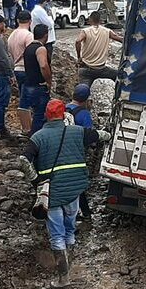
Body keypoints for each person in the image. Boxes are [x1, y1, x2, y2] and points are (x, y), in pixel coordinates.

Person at [23, 98, 107, 289]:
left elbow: (23, 160)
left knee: (56, 234)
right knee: (70, 228)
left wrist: (35, 180)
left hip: (51, 193)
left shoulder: (38, 137)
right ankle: (71, 262)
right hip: (74, 191)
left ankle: (63, 278)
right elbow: (102, 136)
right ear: (63, 115)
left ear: (46, 115)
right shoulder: (78, 132)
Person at [66, 84, 97, 220]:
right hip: (75, 153)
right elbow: (89, 137)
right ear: (86, 99)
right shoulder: (84, 114)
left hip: (60, 149)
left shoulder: (63, 108)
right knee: (77, 183)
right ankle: (85, 213)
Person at [75, 11, 123, 86]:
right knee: (120, 76)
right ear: (100, 20)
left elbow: (78, 41)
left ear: (90, 19)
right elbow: (121, 40)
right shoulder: (107, 31)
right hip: (101, 69)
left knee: (83, 88)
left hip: (86, 68)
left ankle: (82, 93)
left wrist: (79, 57)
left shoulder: (85, 31)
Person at [22, 23, 53, 133]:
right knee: (40, 115)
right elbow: (43, 66)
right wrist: (49, 81)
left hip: (28, 85)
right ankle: (36, 138)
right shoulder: (41, 49)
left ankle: (32, 134)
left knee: (34, 113)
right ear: (46, 35)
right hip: (38, 86)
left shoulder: (28, 48)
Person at [7, 10, 34, 132]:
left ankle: (26, 127)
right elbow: (31, 54)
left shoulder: (12, 35)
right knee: (27, 100)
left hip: (17, 69)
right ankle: (27, 128)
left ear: (17, 20)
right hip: (26, 70)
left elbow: (10, 54)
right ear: (30, 21)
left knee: (23, 97)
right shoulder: (28, 35)